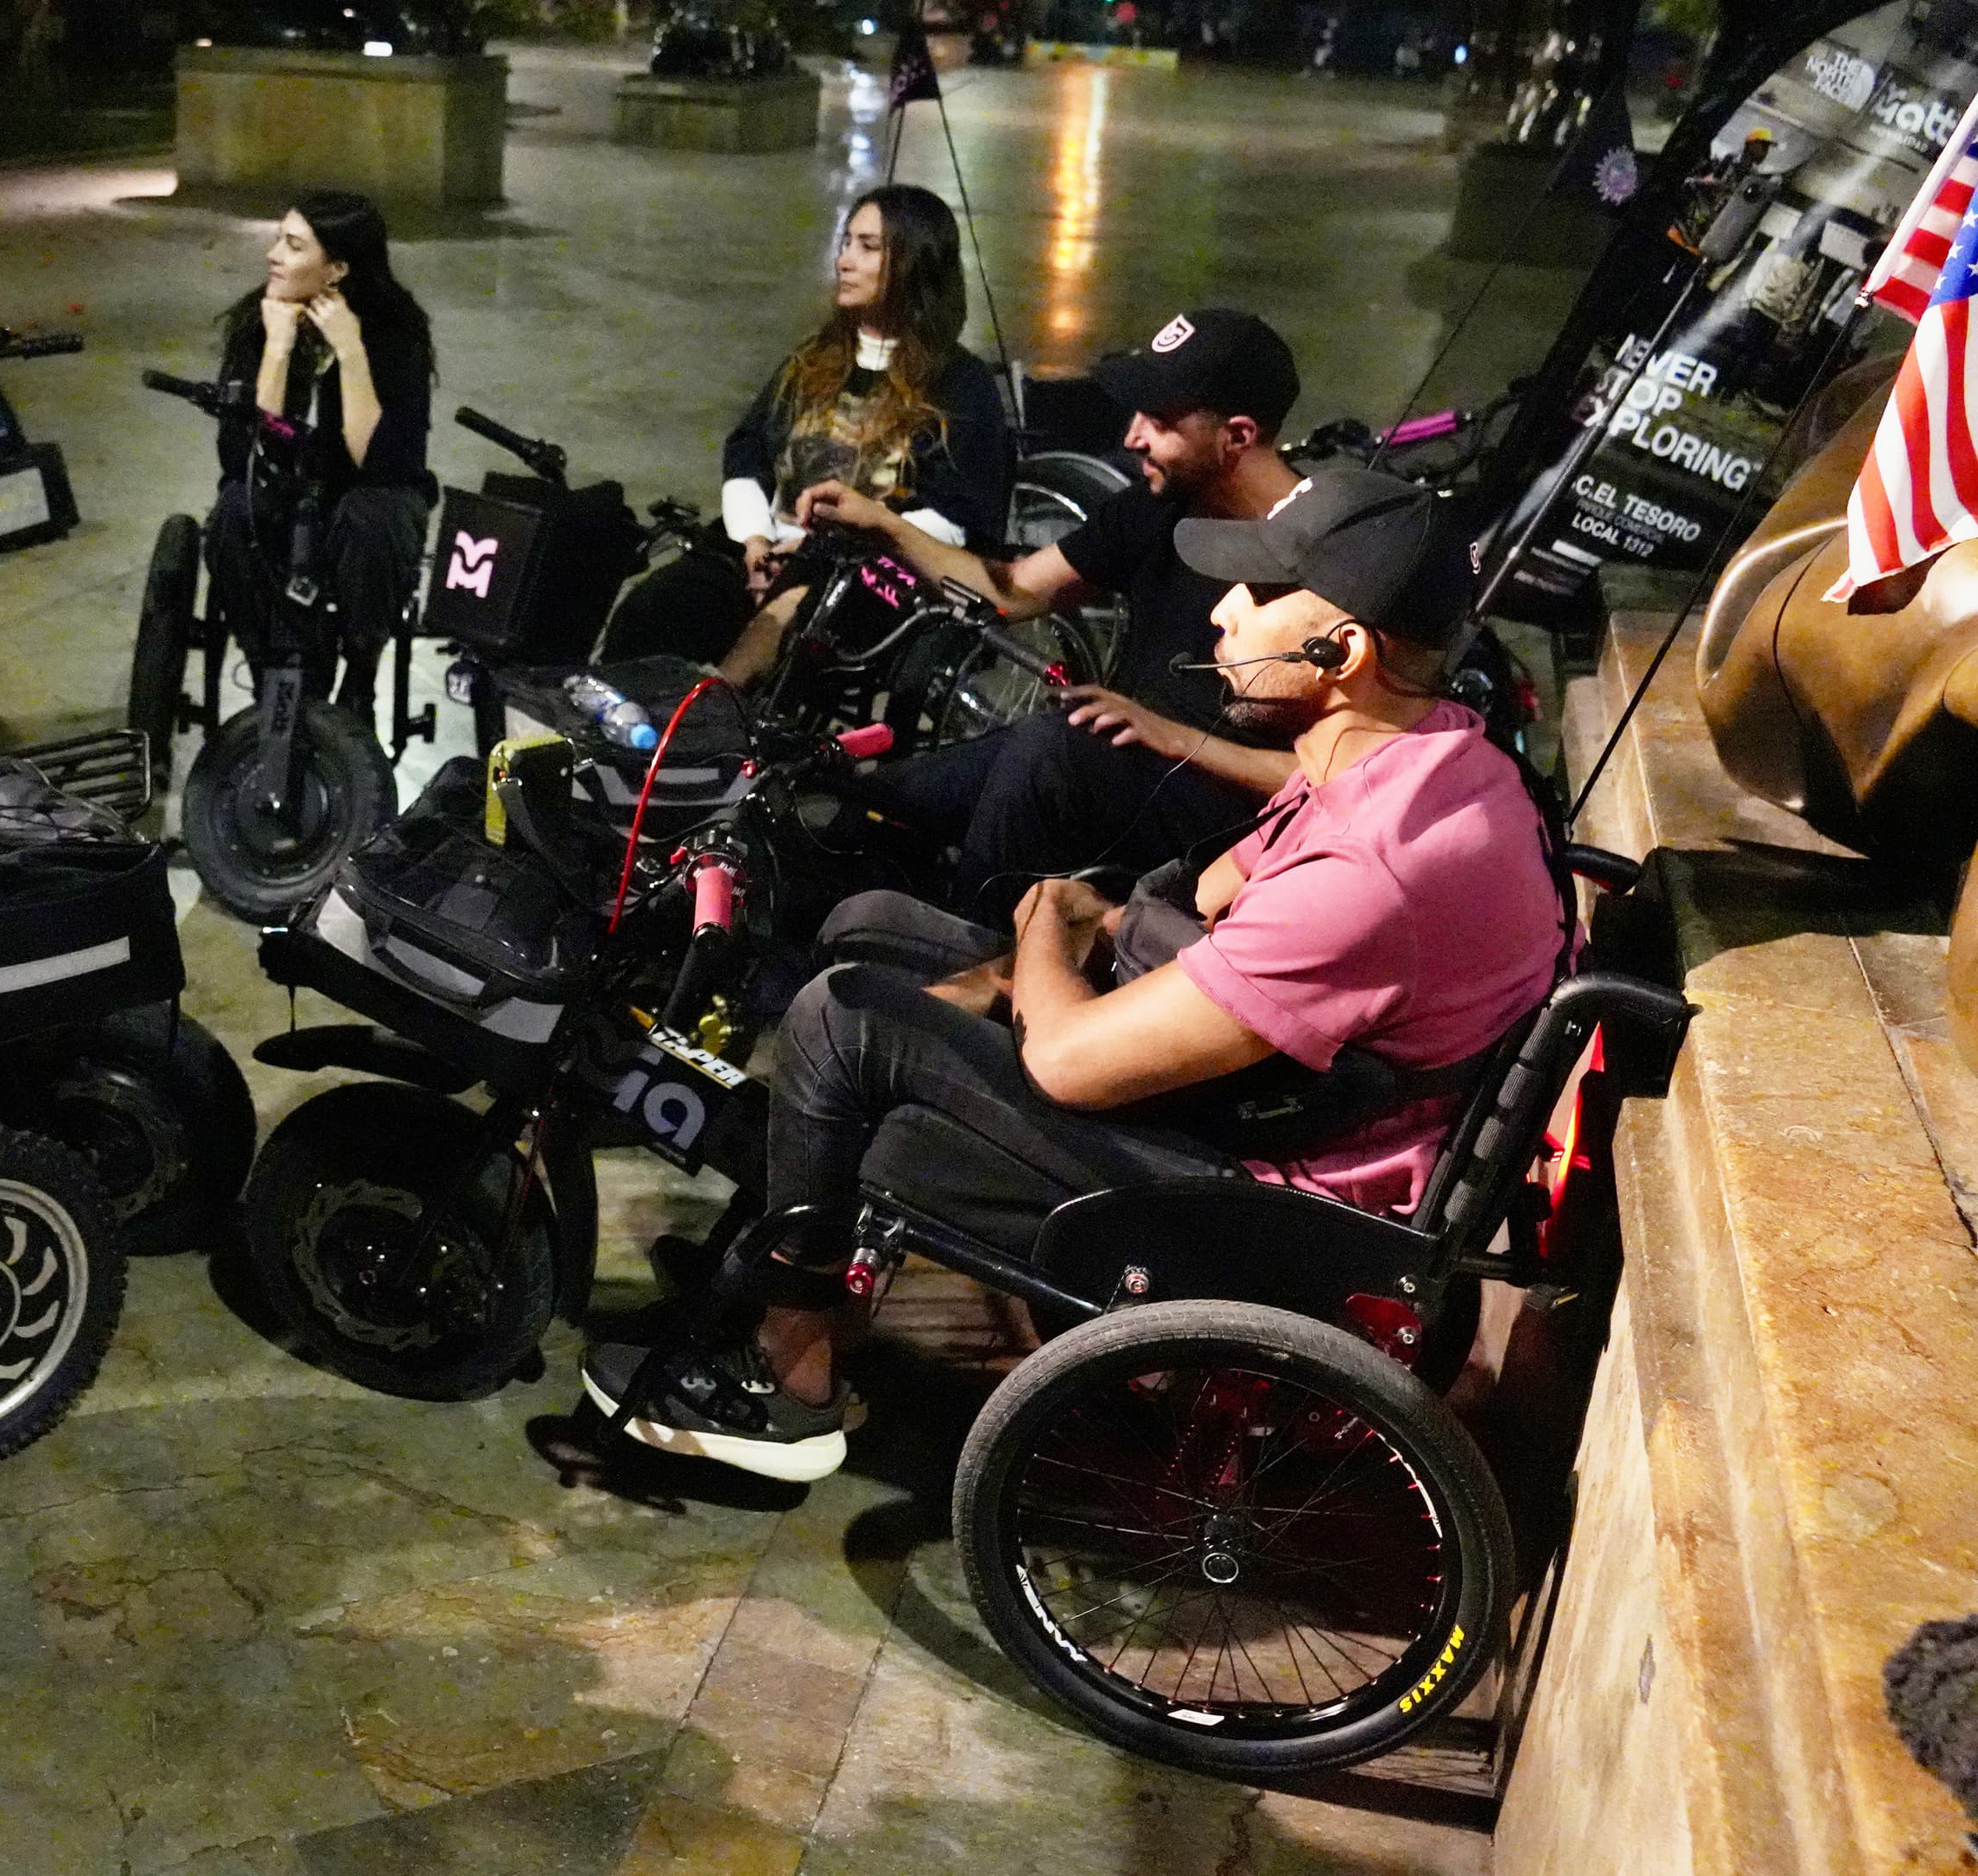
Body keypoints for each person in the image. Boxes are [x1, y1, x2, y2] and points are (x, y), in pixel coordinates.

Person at [582, 467, 1565, 1482]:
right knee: (868, 924)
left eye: (1261, 597)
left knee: (841, 1020)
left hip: (1264, 1210)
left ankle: (790, 1378)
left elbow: (1067, 1064)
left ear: (1343, 650)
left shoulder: (1373, 871)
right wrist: (1039, 959)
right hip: (1292, 1109)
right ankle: (827, 1264)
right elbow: (1221, 891)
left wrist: (1049, 925)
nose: (1223, 614)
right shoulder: (1434, 759)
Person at [804, 306, 1311, 927]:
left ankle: (980, 968)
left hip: (1229, 812)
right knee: (878, 799)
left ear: (1237, 435)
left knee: (1047, 752)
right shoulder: (1161, 505)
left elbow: (1347, 773)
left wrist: (1175, 737)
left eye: (1159, 421)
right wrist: (885, 525)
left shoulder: (1330, 558)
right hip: (1118, 762)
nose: (1131, 437)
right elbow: (1012, 591)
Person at [602, 185, 1013, 684]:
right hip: (766, 549)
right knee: (659, 605)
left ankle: (714, 714)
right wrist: (754, 540)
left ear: (914, 263)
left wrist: (829, 547)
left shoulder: (959, 385)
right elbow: (749, 449)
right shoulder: (814, 360)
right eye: (846, 243)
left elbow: (961, 516)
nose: (844, 260)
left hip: (868, 573)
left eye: (868, 247)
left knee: (788, 618)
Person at [203, 190, 436, 710]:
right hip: (281, 494)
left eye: (292, 246)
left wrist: (351, 351)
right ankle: (270, 671)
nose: (273, 256)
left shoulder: (395, 332)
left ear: (336, 269)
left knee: (371, 516)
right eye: (277, 241)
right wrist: (277, 350)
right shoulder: (256, 321)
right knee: (234, 511)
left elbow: (380, 464)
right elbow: (241, 453)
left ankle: (359, 673)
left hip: (366, 497)